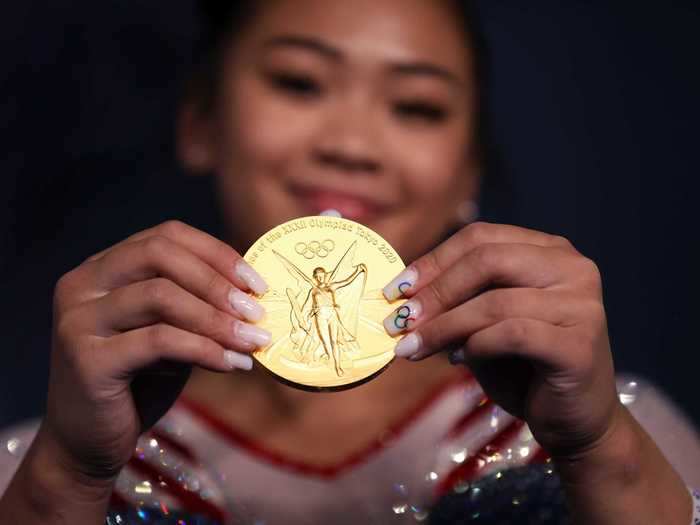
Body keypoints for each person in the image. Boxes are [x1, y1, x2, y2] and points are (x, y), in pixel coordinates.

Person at [0, 0, 699, 523]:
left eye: (418, 107)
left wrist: (603, 450)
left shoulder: (617, 434)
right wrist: (66, 477)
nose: (352, 144)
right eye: (300, 83)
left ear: (468, 172)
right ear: (201, 123)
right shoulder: (42, 462)